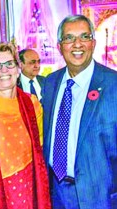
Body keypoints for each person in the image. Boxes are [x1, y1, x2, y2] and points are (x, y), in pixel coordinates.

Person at [42, 14, 117, 209]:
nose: (77, 44)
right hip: (55, 194)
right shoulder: (50, 83)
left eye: (84, 37)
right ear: (60, 46)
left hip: (100, 197)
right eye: (69, 38)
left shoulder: (112, 85)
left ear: (93, 43)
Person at [0, 42, 51, 209]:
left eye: (9, 64)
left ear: (18, 68)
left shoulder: (32, 104)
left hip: (29, 189)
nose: (4, 70)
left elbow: (41, 148)